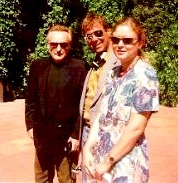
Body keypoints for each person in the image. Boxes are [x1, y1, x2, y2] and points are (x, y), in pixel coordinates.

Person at [82, 17, 159, 182]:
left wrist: (108, 161)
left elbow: (136, 128)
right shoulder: (113, 72)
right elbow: (102, 114)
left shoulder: (145, 74)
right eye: (116, 40)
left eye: (128, 40)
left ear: (139, 43)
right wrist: (88, 148)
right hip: (101, 158)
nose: (120, 45)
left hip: (125, 161)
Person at [25, 24, 87, 183]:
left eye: (63, 45)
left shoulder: (79, 67)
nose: (58, 49)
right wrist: (31, 125)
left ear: (69, 46)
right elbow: (30, 100)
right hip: (43, 136)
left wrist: (75, 135)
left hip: (66, 139)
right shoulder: (37, 66)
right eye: (54, 44)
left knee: (66, 180)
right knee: (41, 179)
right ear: (48, 45)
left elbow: (83, 105)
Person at [75, 12, 118, 182]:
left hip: (104, 133)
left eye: (98, 33)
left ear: (109, 31)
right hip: (87, 131)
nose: (94, 39)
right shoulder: (96, 62)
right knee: (88, 178)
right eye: (88, 36)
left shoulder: (118, 61)